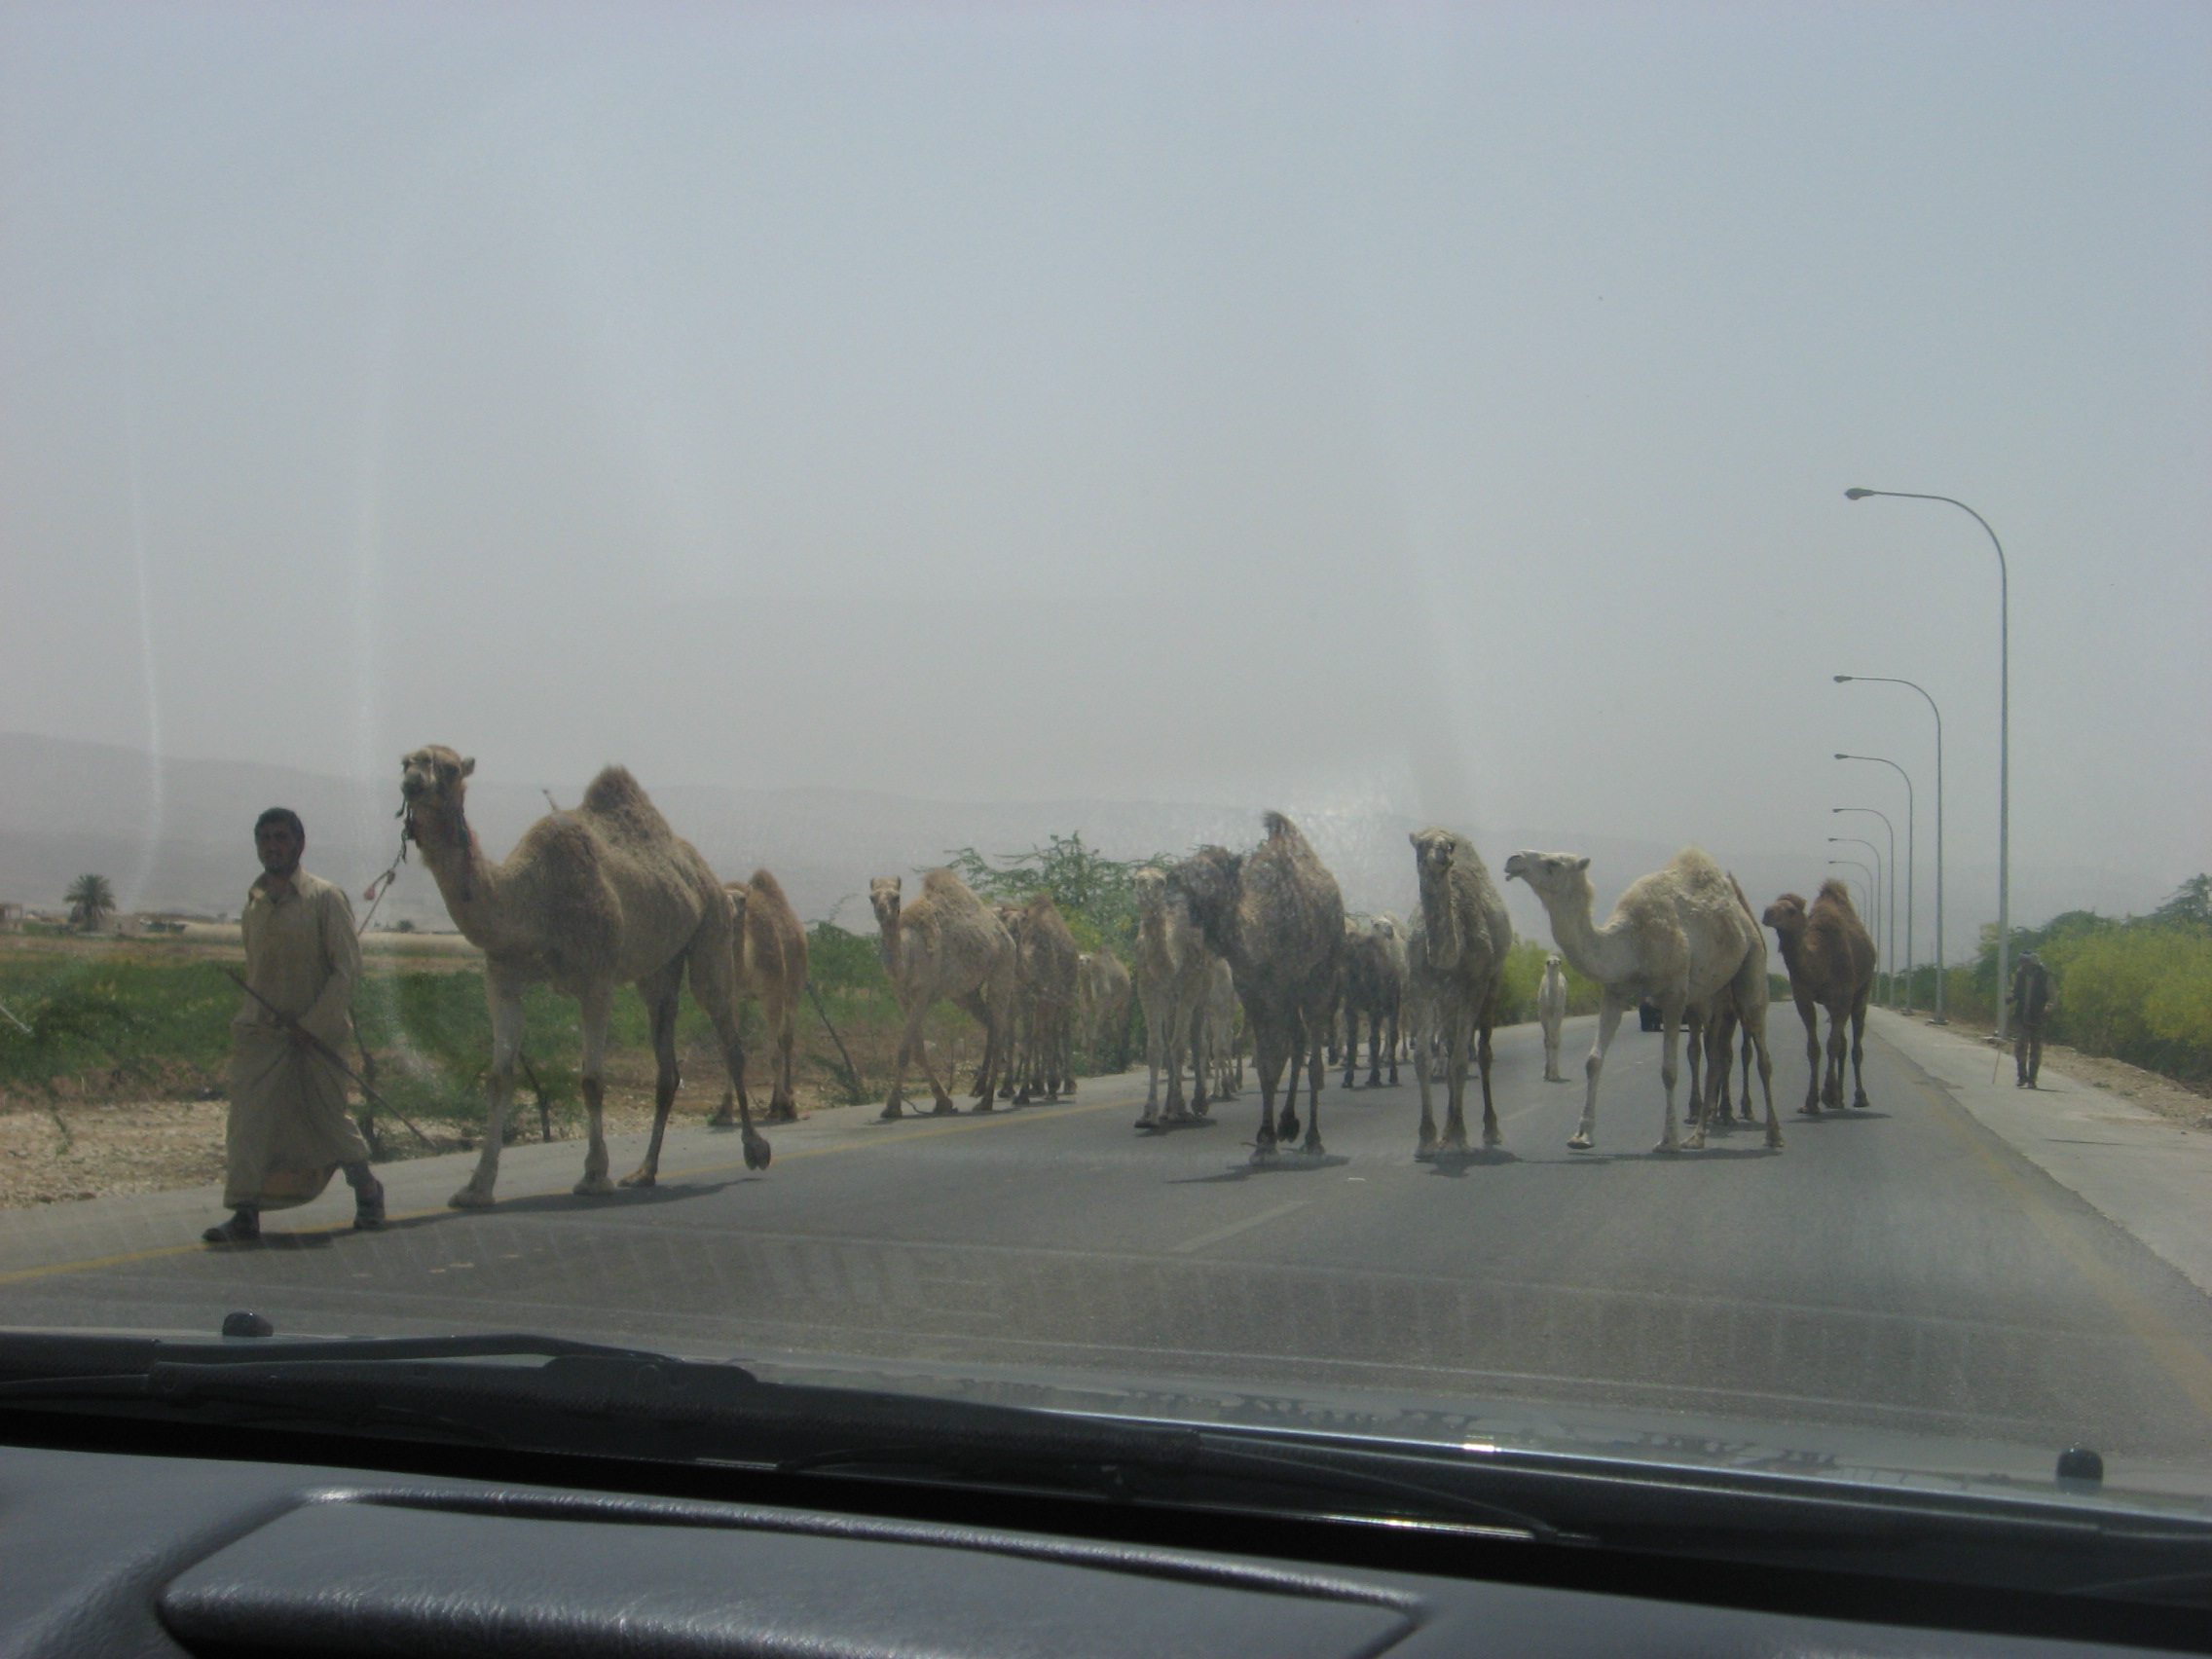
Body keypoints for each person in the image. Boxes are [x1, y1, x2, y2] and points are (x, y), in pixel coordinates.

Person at [203, 808, 385, 1244]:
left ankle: (367, 1190)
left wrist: (313, 1025)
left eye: (281, 837)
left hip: (316, 1038)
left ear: (299, 843)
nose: (272, 845)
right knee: (247, 1123)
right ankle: (245, 1213)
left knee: (326, 1118)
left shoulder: (326, 898)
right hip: (261, 1036)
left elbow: (346, 971)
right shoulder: (254, 904)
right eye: (264, 838)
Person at [2009, 950, 2056, 1089]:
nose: (2023, 964)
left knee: (2036, 1049)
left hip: (2039, 1017)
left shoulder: (2045, 976)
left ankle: (2032, 1079)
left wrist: (2048, 1008)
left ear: (2033, 963)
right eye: (2022, 962)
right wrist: (2010, 997)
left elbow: (2053, 997)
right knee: (2020, 1047)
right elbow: (2015, 990)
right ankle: (2022, 1076)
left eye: (2026, 962)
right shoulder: (2020, 975)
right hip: (2023, 1016)